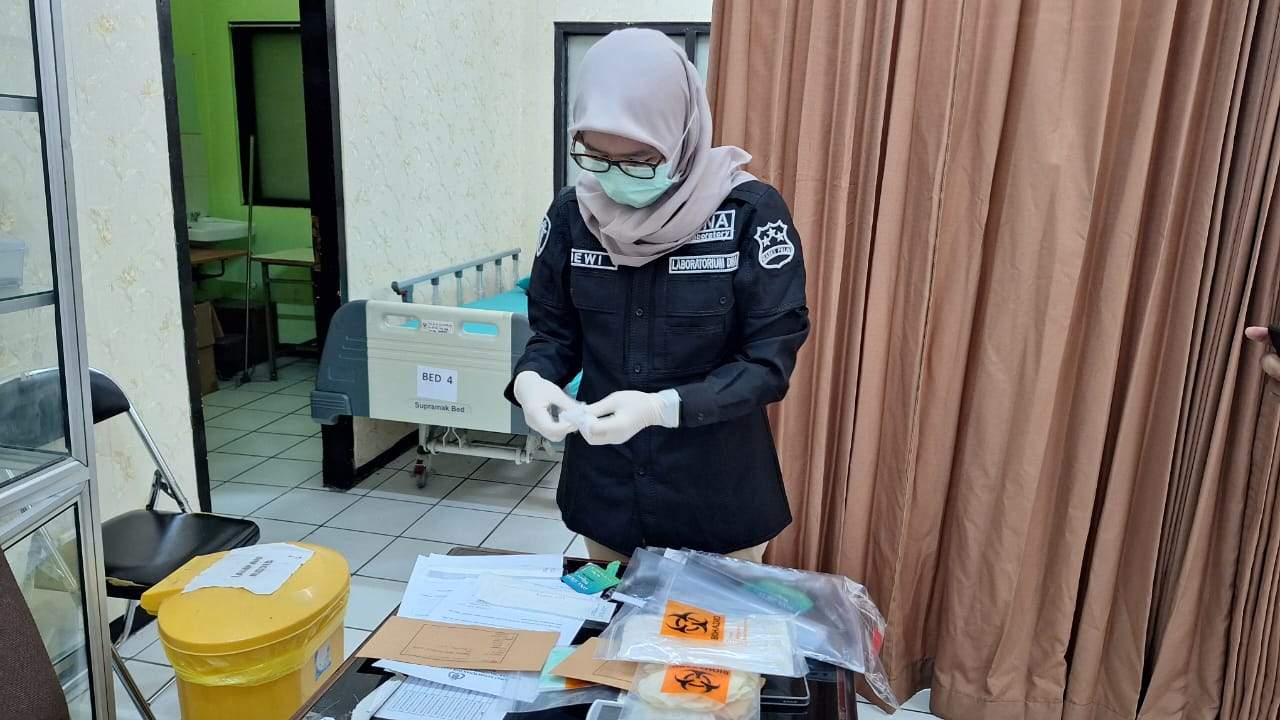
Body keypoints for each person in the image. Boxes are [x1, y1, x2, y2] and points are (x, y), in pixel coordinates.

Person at [505, 29, 809, 563]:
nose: (616, 177)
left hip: (716, 489)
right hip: (607, 490)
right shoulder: (572, 216)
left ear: (683, 137)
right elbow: (554, 334)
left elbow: (768, 361)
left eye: (641, 159)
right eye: (596, 156)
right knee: (609, 614)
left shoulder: (749, 214)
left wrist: (662, 408)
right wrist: (533, 380)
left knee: (711, 620)